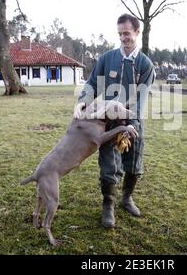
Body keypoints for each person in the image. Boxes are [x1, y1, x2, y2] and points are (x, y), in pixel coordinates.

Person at [73, 13, 155, 228]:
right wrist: (82, 102)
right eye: (120, 34)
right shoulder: (107, 58)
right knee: (109, 165)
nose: (123, 38)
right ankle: (108, 205)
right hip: (107, 123)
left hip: (131, 122)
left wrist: (128, 123)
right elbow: (91, 85)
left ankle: (127, 199)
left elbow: (141, 99)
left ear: (138, 32)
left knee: (134, 165)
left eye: (127, 33)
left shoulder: (145, 65)